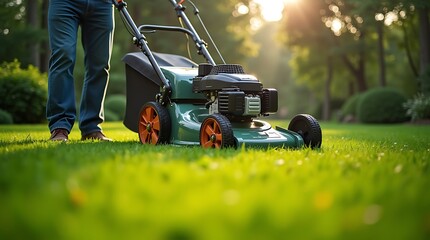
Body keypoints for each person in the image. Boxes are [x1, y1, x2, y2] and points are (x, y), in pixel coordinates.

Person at [47, 0, 115, 141]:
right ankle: (60, 126)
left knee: (100, 64)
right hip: (65, 3)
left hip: (103, 4)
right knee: (63, 55)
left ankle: (91, 127)